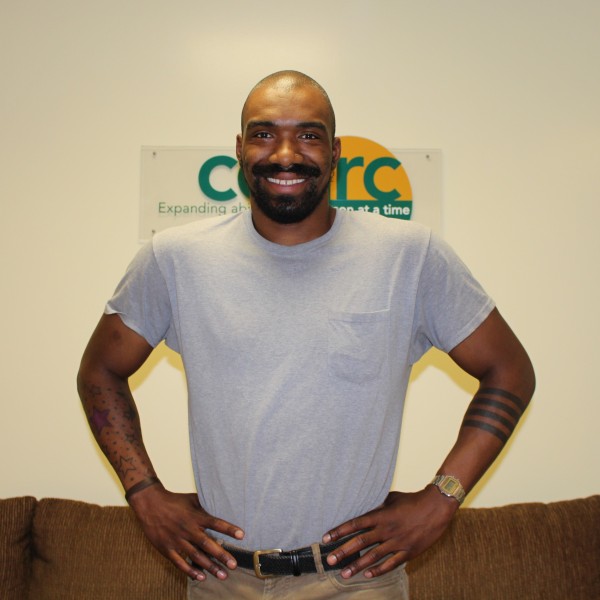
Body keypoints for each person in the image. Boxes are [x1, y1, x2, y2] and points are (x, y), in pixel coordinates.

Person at [77, 70, 535, 599]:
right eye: (264, 133)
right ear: (239, 149)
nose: (285, 154)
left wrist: (442, 498)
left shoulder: (409, 256)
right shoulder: (176, 259)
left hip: (356, 582)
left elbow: (510, 370)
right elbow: (99, 371)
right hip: (223, 581)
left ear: (336, 152)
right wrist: (144, 493)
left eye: (309, 135)